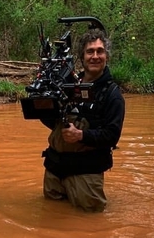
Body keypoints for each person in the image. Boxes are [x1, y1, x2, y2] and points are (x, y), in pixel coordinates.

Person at [40, 29, 125, 212]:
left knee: (90, 228)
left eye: (99, 51)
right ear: (82, 56)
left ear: (107, 56)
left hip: (86, 174)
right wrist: (42, 104)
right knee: (49, 218)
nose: (95, 56)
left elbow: (111, 136)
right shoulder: (65, 84)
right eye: (90, 51)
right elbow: (52, 123)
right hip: (54, 171)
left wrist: (81, 135)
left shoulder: (112, 95)